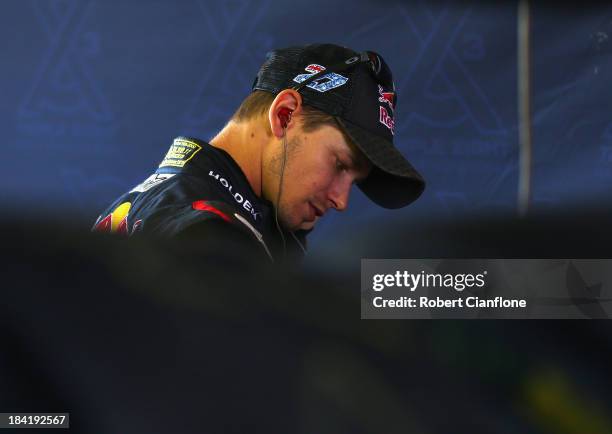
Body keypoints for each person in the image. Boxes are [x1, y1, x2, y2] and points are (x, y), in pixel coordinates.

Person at [92, 43, 425, 263]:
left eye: (354, 182)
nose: (342, 201)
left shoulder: (172, 197)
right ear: (285, 115)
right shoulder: (212, 236)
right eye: (339, 164)